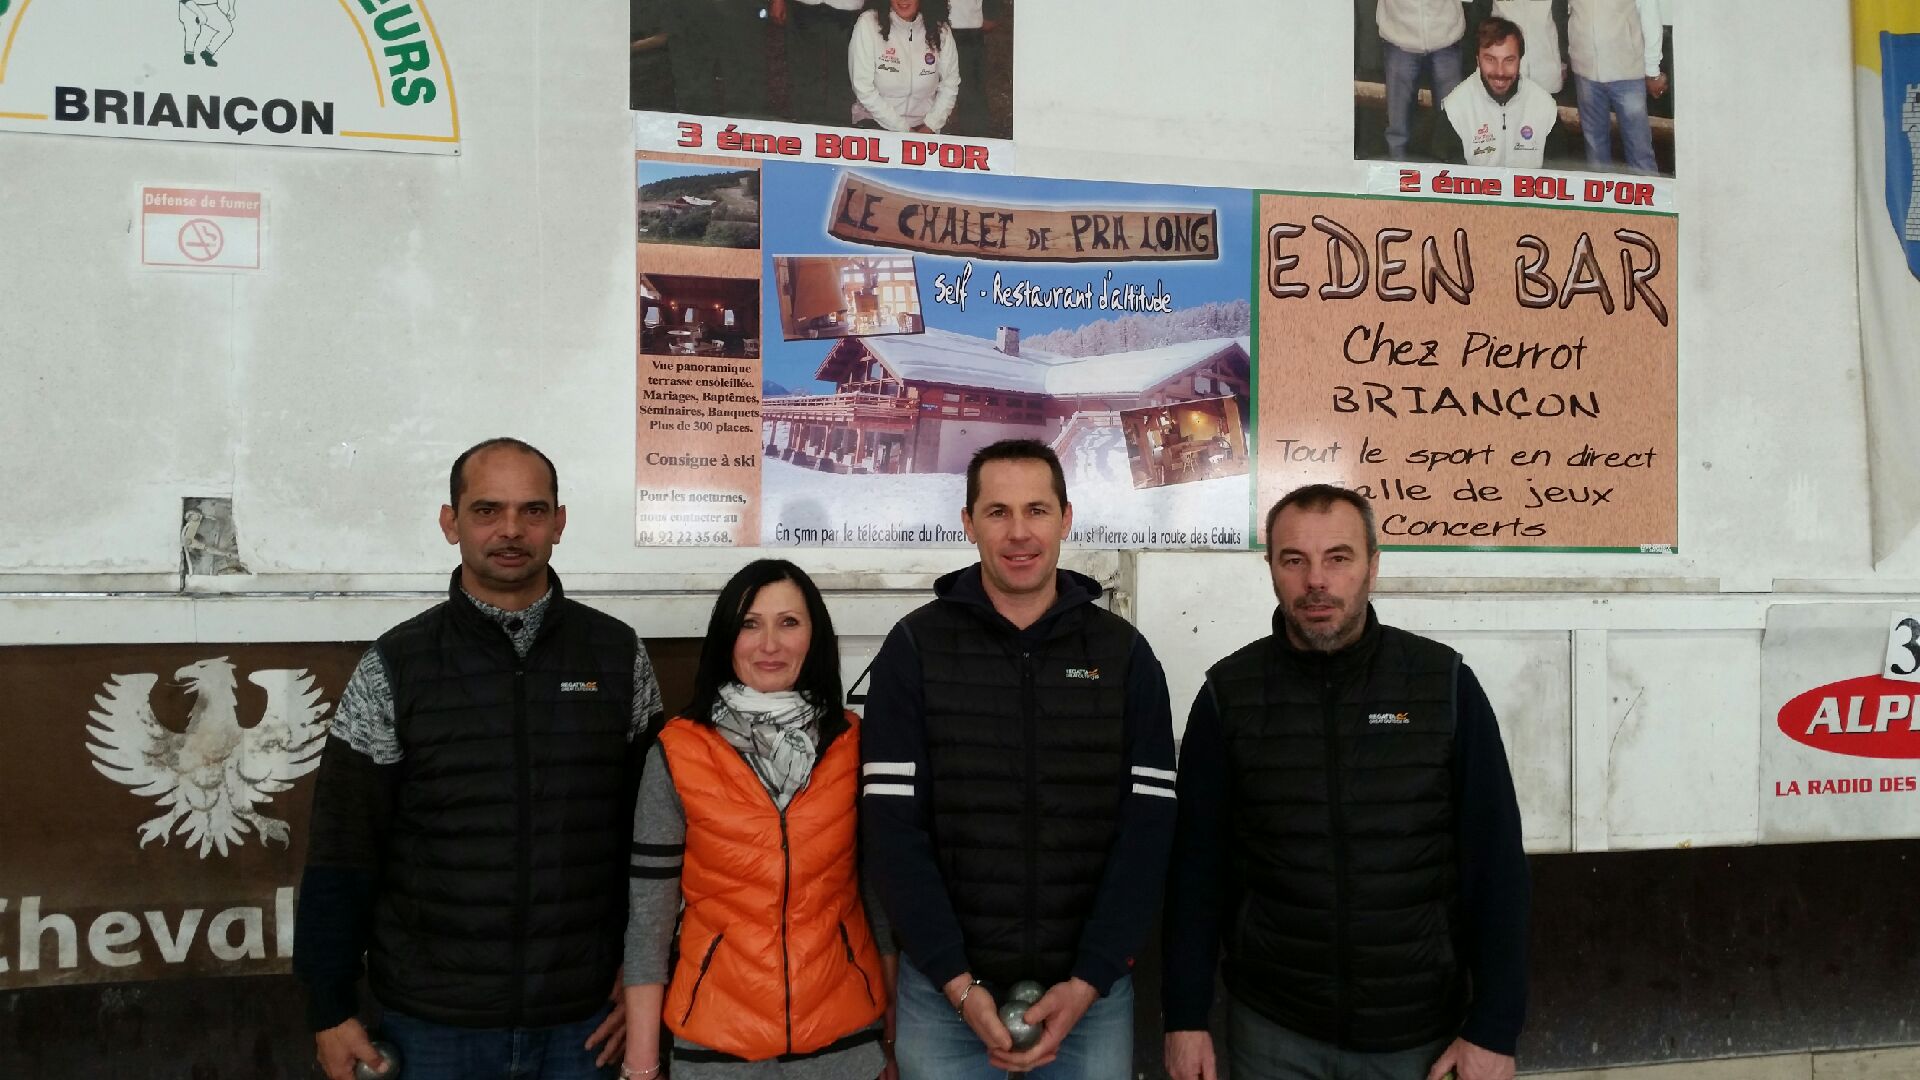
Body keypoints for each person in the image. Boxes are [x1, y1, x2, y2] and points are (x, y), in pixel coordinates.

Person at [294, 438, 665, 1080]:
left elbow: (655, 844)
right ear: (451, 522)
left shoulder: (618, 657)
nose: (512, 530)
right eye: (487, 509)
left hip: (584, 1022)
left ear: (560, 522)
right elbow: (342, 849)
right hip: (433, 1023)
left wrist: (644, 984)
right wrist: (329, 1009)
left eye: (533, 510)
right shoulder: (395, 666)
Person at [1161, 484, 1530, 1080]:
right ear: (1272, 570)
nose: (1317, 581)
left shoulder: (1443, 687)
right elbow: (1196, 873)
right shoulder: (1227, 696)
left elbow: (1496, 869)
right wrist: (1184, 1018)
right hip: (1273, 1031)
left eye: (1338, 558)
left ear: (1372, 566)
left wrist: (1493, 1027)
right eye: (1294, 560)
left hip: (1417, 1035)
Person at [862, 438, 1178, 1079]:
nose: (1018, 533)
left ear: (1066, 518)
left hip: (1089, 999)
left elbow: (1148, 834)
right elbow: (892, 833)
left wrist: (1091, 977)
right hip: (946, 999)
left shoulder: (1124, 655)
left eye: (1037, 510)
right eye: (997, 512)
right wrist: (955, 980)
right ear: (968, 523)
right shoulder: (914, 649)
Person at [621, 559, 896, 1080]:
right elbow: (649, 922)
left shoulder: (854, 743)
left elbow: (877, 900)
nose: (769, 643)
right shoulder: (679, 751)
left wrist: (892, 1033)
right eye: (750, 623)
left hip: (845, 1046)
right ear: (728, 637)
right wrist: (640, 1064)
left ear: (814, 636)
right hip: (715, 1049)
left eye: (789, 622)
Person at [1438, 17, 1558, 168]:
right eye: (1490, 59)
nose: (1500, 72)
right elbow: (1446, 180)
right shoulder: (1454, 109)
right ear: (1477, 59)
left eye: (1509, 60)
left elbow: (1559, 174)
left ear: (1520, 60)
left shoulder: (1545, 107)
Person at [1567, 0, 1667, 173]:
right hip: (1585, 71)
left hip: (1627, 73)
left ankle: (1648, 196)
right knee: (1595, 150)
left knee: (1639, 149)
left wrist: (1652, 70)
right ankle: (1601, 198)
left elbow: (1650, 16)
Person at [1375, 0, 1471, 159]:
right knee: (1397, 121)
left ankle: (1451, 169)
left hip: (1446, 36)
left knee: (1453, 117)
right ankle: (1396, 169)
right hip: (1398, 35)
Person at [848, 0, 960, 133]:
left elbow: (950, 84)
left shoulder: (941, 30)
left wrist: (931, 125)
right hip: (875, 123)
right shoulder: (868, 23)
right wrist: (903, 129)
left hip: (925, 129)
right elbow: (863, 87)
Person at [772, 0, 864, 126]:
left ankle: (839, 132)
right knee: (802, 75)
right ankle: (803, 131)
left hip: (848, 9)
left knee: (845, 78)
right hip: (803, 6)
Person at [944, 0, 1004, 136]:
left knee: (971, 94)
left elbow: (991, 20)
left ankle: (975, 140)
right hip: (924, 24)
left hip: (967, 32)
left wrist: (991, 13)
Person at [1490, 0, 1566, 96]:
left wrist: (1563, 63)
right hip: (1508, 72)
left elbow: (1561, 25)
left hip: (1546, 71)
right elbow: (1483, 28)